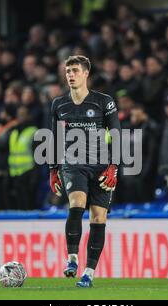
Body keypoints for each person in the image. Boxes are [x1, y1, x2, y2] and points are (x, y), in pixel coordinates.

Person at [49, 55, 121, 288]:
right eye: (67, 70)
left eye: (75, 70)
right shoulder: (59, 104)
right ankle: (72, 259)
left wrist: (114, 167)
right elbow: (55, 138)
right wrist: (53, 170)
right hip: (74, 163)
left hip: (101, 165)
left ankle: (88, 273)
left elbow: (117, 134)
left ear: (86, 73)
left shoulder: (104, 101)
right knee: (77, 203)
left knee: (99, 217)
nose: (70, 74)